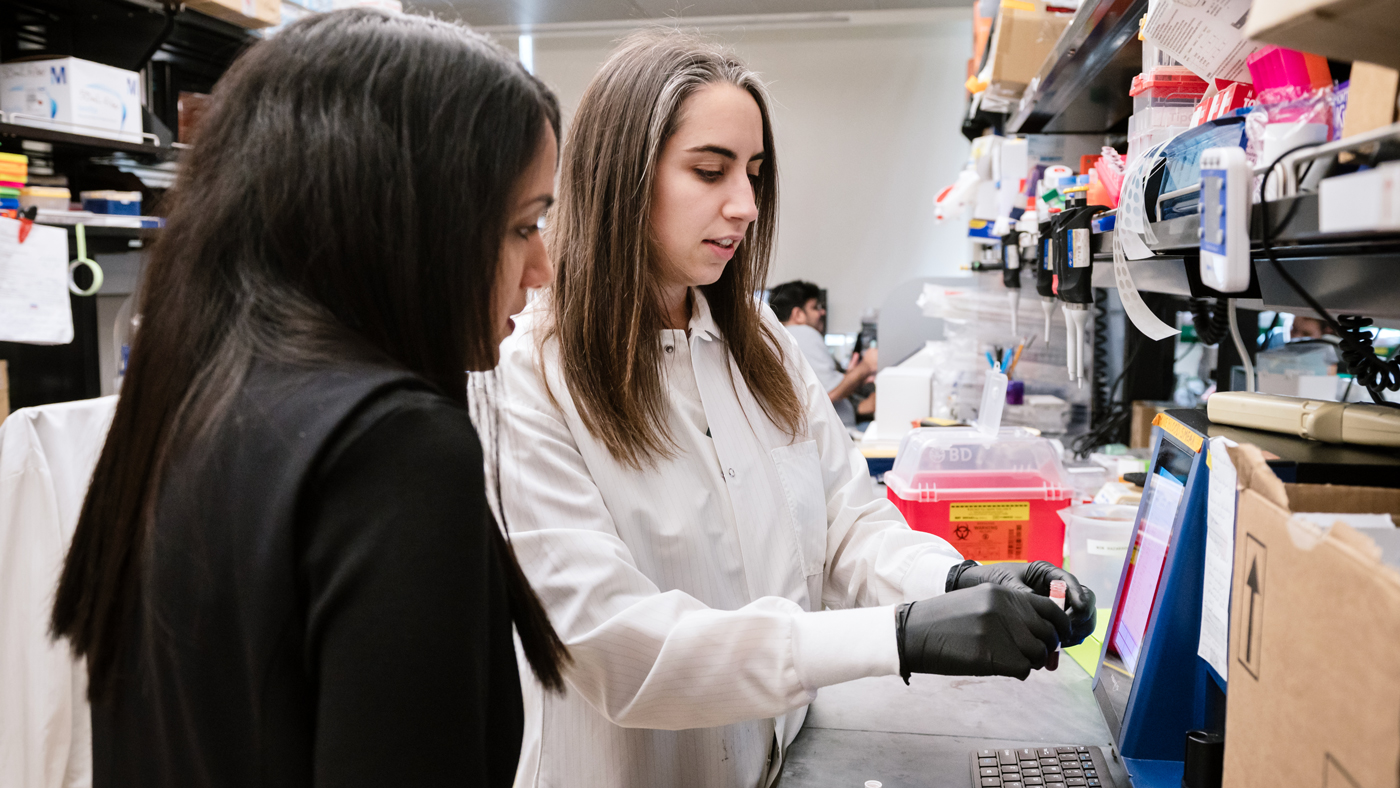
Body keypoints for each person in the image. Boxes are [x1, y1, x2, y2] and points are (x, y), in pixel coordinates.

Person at [495, 30, 1096, 788]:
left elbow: (848, 525)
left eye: (753, 173)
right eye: (709, 171)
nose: (745, 205)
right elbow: (615, 647)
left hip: (779, 766)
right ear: (621, 176)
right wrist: (899, 637)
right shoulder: (531, 375)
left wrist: (958, 583)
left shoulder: (761, 346)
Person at [48, 11, 567, 787]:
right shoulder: (395, 453)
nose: (542, 269)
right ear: (408, 221)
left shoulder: (188, 410)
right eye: (523, 226)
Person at [768, 280, 877, 427]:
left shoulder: (779, 337)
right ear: (798, 314)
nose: (822, 312)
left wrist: (849, 374)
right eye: (815, 307)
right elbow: (831, 392)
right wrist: (867, 366)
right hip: (840, 432)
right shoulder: (803, 333)